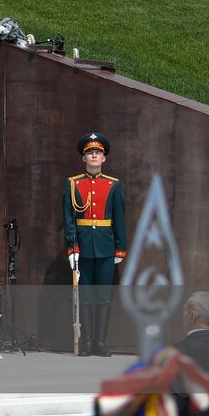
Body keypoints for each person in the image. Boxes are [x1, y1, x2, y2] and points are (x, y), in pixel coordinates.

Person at [62, 132, 126, 356]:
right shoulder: (73, 184)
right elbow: (69, 218)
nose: (94, 156)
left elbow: (119, 217)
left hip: (106, 247)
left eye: (98, 152)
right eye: (90, 153)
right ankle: (87, 342)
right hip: (83, 248)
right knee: (86, 297)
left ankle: (101, 343)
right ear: (83, 158)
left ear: (104, 158)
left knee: (104, 297)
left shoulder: (113, 185)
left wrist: (120, 246)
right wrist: (72, 247)